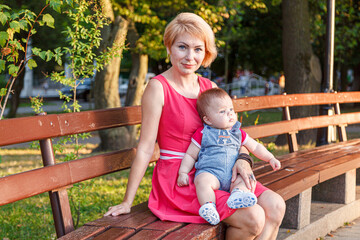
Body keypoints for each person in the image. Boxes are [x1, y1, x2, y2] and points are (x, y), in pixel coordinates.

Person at [104, 12, 286, 240]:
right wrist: (127, 201)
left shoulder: (208, 87)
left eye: (198, 49)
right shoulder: (158, 88)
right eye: (182, 47)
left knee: (276, 206)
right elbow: (145, 147)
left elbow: (234, 134)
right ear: (169, 47)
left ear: (206, 53)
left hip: (218, 168)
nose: (190, 56)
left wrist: (243, 159)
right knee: (254, 218)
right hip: (180, 181)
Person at [177, 88, 281, 225]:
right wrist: (183, 172)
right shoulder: (203, 133)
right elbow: (190, 155)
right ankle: (208, 206)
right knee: (202, 181)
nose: (230, 114)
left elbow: (255, 146)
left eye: (231, 110)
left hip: (233, 175)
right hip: (211, 173)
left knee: (244, 180)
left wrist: (270, 158)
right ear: (207, 119)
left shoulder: (238, 132)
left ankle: (238, 195)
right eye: (222, 112)